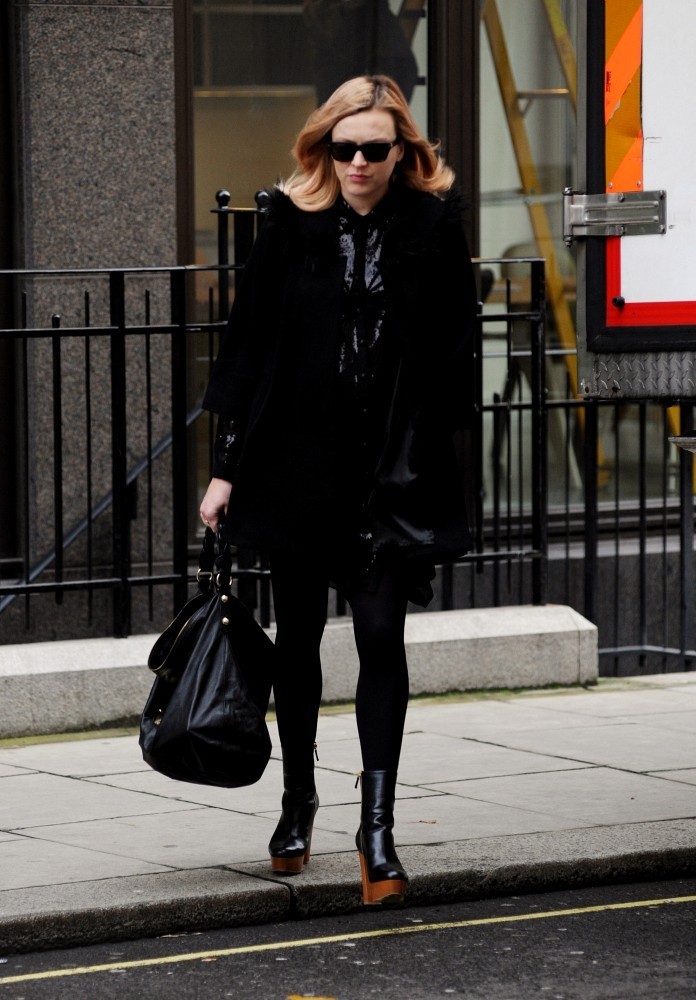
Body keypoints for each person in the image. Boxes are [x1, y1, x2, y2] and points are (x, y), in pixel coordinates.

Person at [200, 74, 478, 907]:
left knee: (382, 637)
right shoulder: (289, 222)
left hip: (390, 473)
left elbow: (457, 348)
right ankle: (298, 803)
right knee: (298, 644)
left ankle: (377, 830)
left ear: (402, 152)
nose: (357, 162)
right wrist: (225, 468)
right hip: (297, 467)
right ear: (323, 148)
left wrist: (442, 457)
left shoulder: (432, 225)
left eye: (373, 149)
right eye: (342, 147)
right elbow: (248, 347)